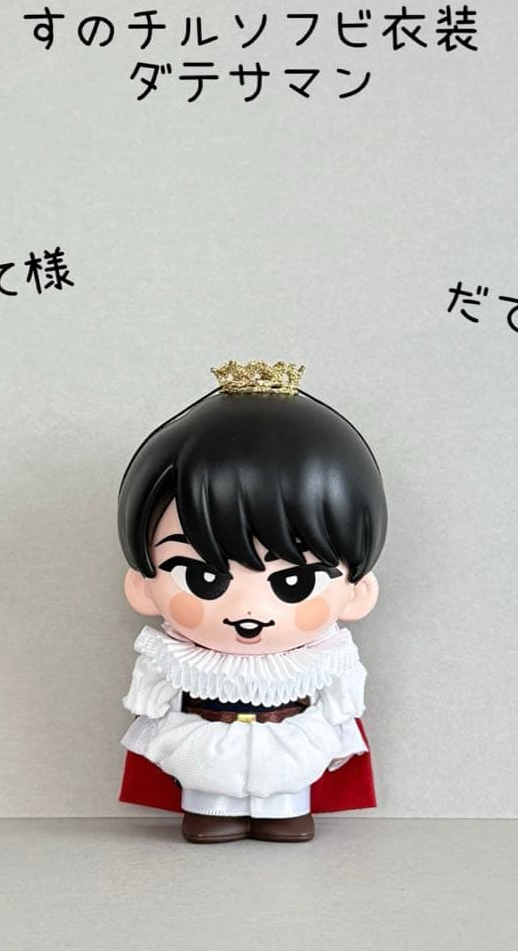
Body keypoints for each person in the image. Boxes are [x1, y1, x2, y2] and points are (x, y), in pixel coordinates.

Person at [116, 359, 388, 843]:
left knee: (286, 775)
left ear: (357, 593)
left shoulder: (323, 660)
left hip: (290, 739)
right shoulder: (173, 658)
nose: (248, 607)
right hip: (205, 739)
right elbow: (154, 700)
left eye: (294, 582)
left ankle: (285, 810)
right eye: (203, 577)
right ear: (143, 586)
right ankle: (210, 809)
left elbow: (339, 702)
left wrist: (339, 727)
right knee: (207, 776)